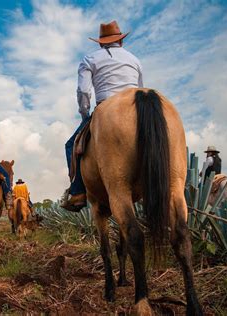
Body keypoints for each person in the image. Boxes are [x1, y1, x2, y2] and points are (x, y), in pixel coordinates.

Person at [61, 20, 144, 212]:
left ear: (100, 42)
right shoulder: (135, 60)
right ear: (121, 41)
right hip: (136, 105)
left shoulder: (90, 59)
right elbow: (139, 89)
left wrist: (84, 114)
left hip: (105, 105)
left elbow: (83, 91)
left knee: (70, 145)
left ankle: (78, 192)